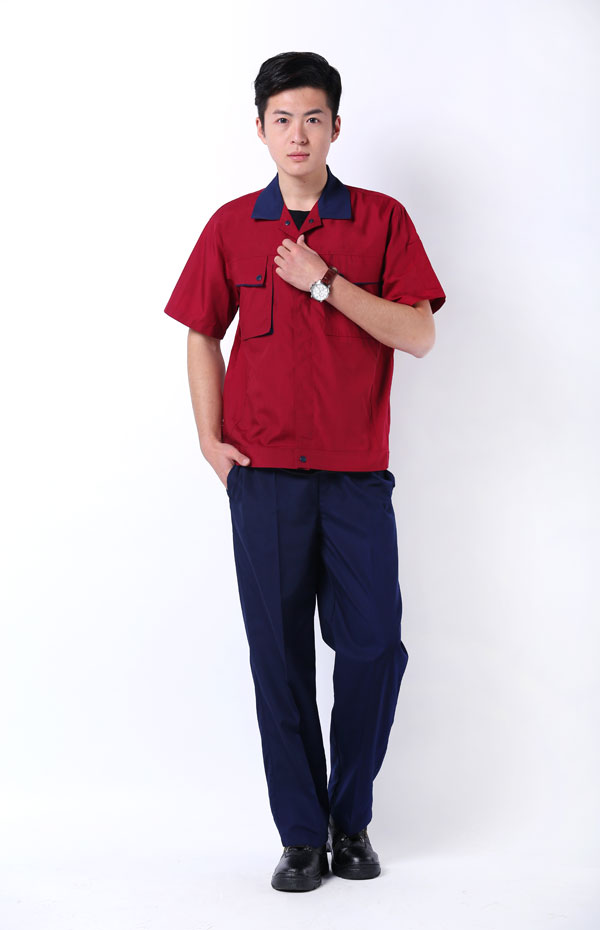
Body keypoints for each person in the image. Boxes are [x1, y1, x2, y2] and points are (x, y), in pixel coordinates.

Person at [163, 51, 446, 893]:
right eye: (282, 119)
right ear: (260, 129)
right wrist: (209, 438)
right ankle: (301, 836)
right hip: (265, 482)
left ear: (335, 127)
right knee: (279, 660)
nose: (298, 134)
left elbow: (419, 334)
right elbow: (200, 331)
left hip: (356, 477)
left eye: (313, 118)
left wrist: (327, 284)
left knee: (373, 648)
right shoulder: (231, 226)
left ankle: (349, 818)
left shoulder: (381, 220)